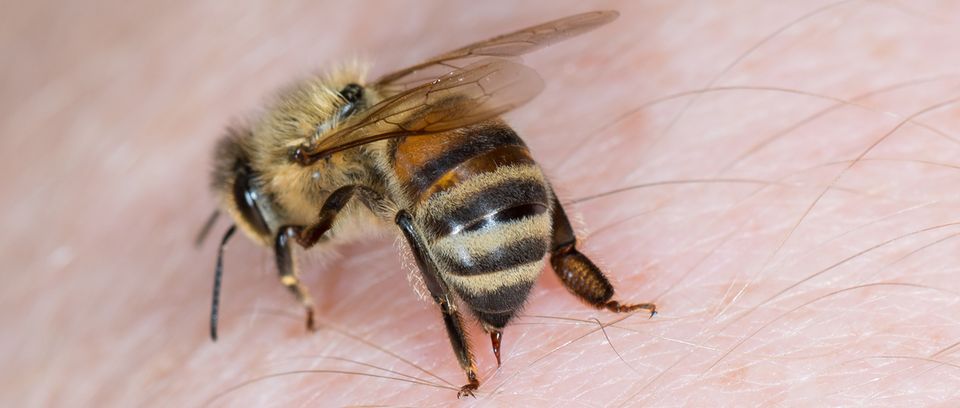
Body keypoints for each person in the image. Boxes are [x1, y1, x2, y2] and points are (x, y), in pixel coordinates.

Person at [5, 1, 959, 406]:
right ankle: (584, 281)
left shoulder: (310, 165)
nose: (278, 230)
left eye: (264, 217)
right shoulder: (357, 115)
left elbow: (351, 214)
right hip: (468, 156)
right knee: (428, 193)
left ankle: (469, 357)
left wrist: (300, 288)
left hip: (458, 195)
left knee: (413, 209)